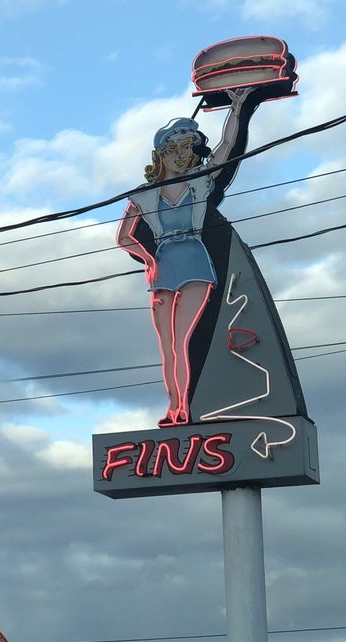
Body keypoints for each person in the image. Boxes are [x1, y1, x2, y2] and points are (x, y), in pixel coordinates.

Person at [116, 88, 254, 427]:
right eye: (173, 149)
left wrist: (237, 109)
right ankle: (174, 407)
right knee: (167, 346)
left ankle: (185, 410)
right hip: (163, 267)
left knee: (182, 339)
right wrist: (148, 259)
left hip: (194, 261)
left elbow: (225, 150)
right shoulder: (144, 195)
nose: (181, 155)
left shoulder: (201, 183)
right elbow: (123, 237)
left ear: (193, 152)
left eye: (187, 148)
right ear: (161, 153)